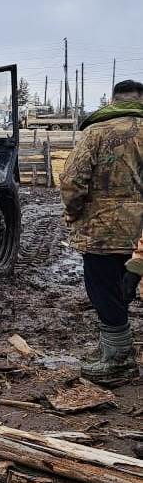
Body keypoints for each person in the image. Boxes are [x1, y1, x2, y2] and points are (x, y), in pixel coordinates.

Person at [60, 79, 143, 384]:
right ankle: (112, 348)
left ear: (112, 101)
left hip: (103, 231)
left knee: (105, 290)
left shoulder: (96, 132)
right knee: (127, 286)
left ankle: (119, 360)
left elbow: (72, 180)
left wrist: (73, 211)